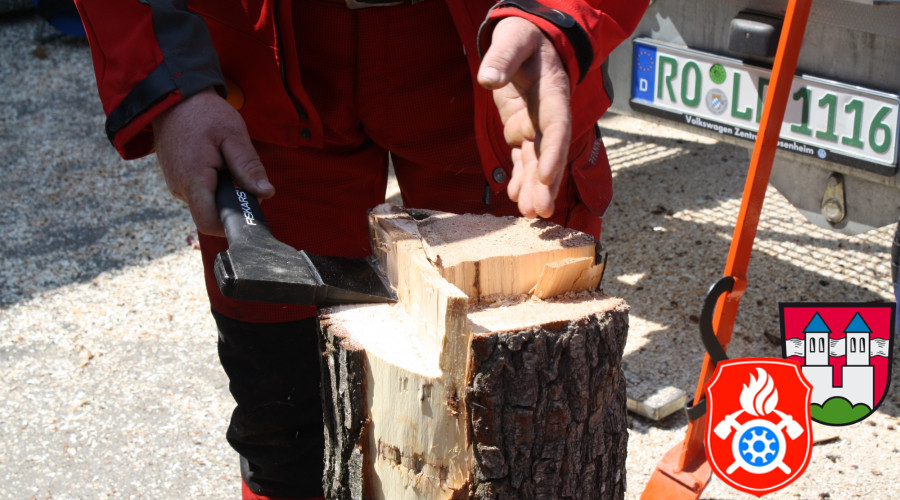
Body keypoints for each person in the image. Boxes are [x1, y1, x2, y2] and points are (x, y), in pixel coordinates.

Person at [72, 1, 647, 499]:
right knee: (283, 414)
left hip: (488, 50)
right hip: (258, 54)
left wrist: (558, 15)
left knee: (526, 425)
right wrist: (171, 84)